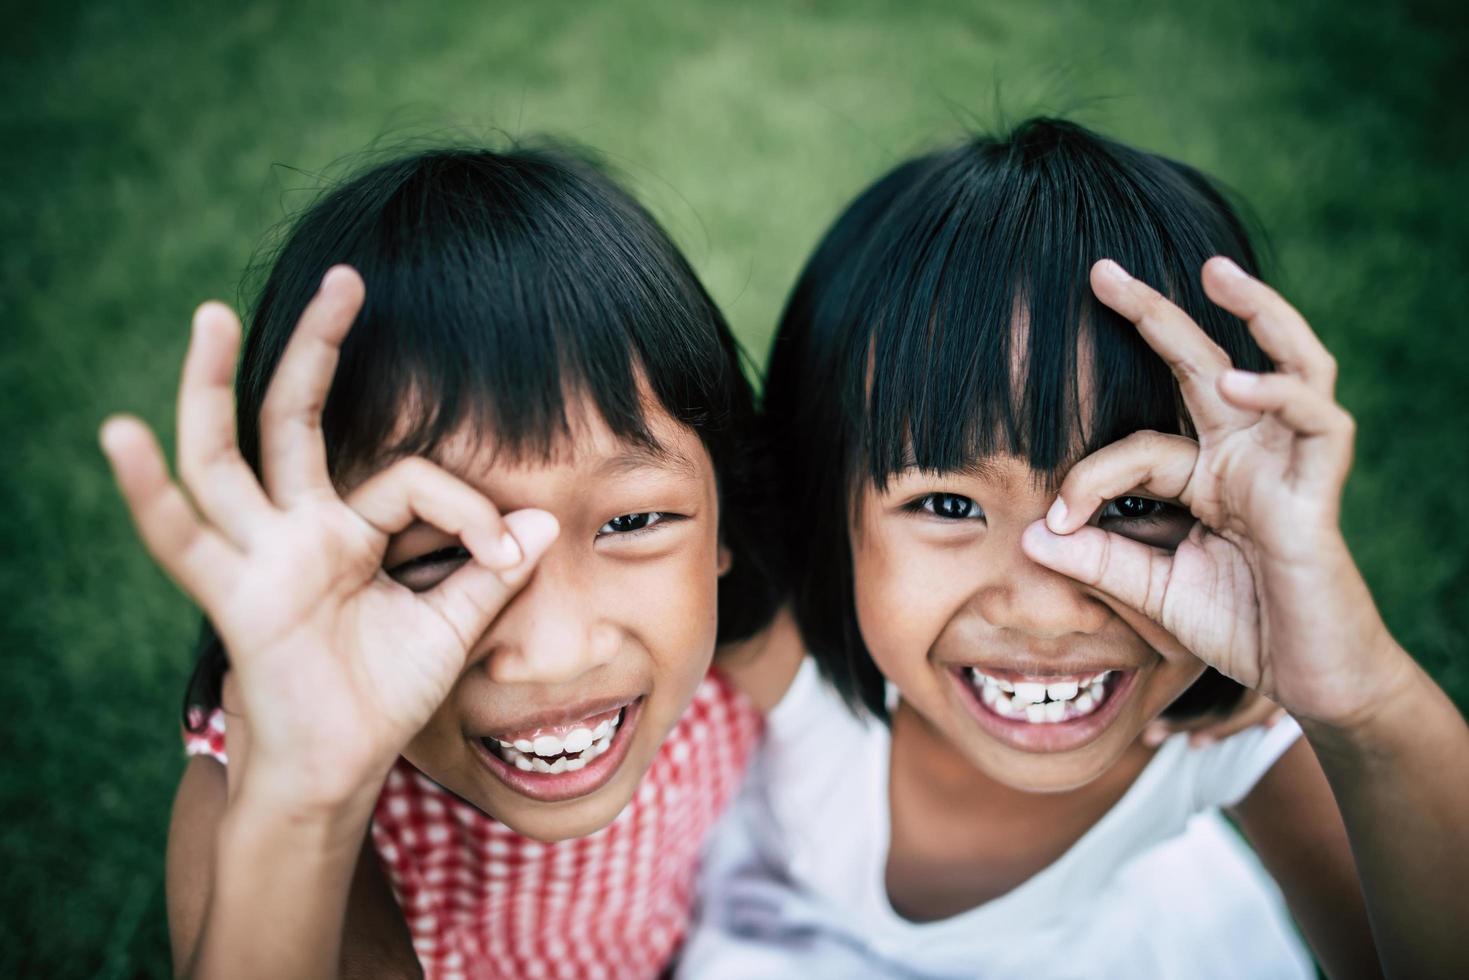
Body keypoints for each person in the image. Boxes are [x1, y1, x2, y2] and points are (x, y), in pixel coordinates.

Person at [682, 118, 1469, 978]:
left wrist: (1359, 707)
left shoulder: (1231, 737)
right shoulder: (774, 637)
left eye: (1133, 503)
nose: (1046, 607)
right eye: (946, 503)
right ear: (824, 511)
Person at [100, 144, 780, 979]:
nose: (556, 652)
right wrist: (311, 805)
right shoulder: (268, 803)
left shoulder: (755, 660)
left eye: (633, 520)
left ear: (723, 523)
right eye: (438, 556)